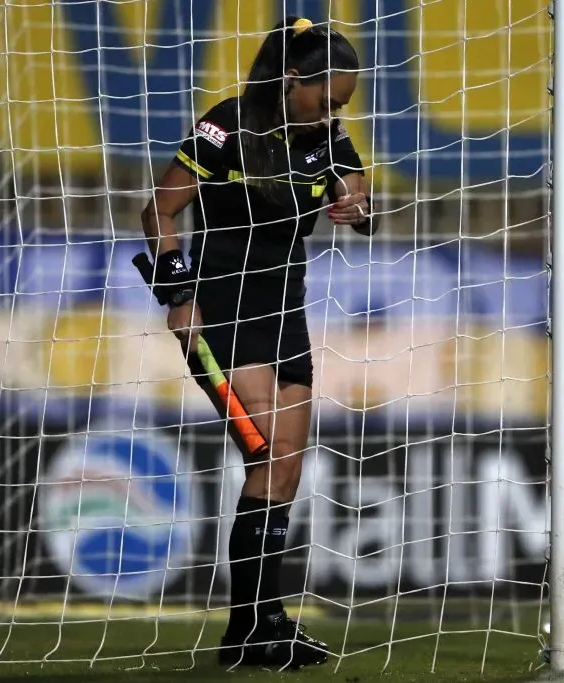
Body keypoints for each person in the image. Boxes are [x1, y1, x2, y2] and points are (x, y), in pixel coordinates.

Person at [139, 16, 373, 670]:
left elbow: (358, 194)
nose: (334, 115)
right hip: (226, 304)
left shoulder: (326, 136)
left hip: (286, 309)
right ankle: (259, 625)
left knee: (286, 468)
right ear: (292, 80)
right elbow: (159, 208)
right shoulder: (228, 124)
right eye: (327, 100)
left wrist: (356, 202)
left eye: (343, 107)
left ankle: (254, 627)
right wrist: (178, 296)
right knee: (267, 455)